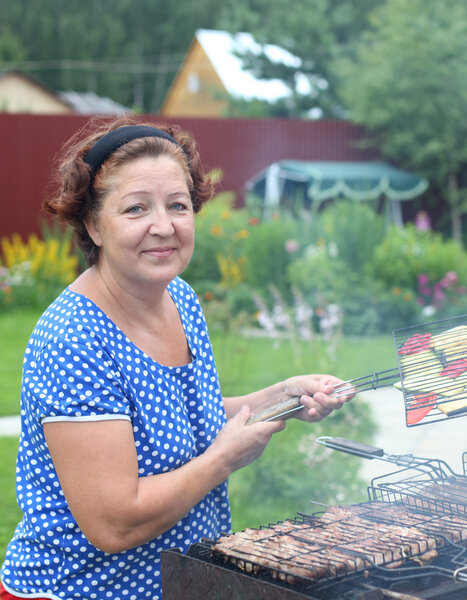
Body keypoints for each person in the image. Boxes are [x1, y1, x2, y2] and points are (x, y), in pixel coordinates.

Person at [0, 117, 352, 600]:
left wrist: (282, 396)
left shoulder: (180, 299)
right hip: (79, 591)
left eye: (178, 206)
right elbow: (114, 524)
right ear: (91, 224)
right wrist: (222, 460)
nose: (163, 227)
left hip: (176, 584)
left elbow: (183, 417)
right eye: (135, 208)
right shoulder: (73, 340)